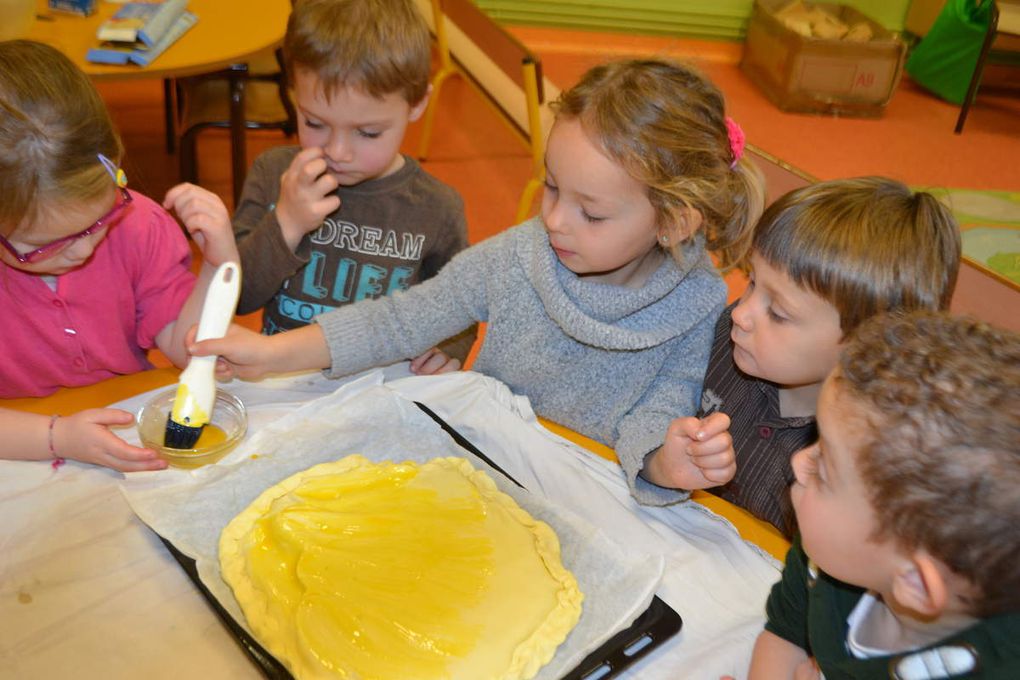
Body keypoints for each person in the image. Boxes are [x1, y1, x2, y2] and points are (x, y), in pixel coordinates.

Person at [190, 57, 767, 501]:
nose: (555, 220)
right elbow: (403, 318)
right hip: (484, 470)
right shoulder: (522, 254)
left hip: (591, 494)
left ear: (674, 222)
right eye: (552, 186)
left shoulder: (700, 299)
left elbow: (665, 402)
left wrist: (661, 462)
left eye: (590, 212)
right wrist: (271, 354)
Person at [641, 177, 962, 533]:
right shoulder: (725, 339)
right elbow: (648, 414)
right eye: (751, 282)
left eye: (777, 312)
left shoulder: (863, 453)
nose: (740, 314)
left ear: (865, 348)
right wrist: (659, 465)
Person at [0, 40, 239, 471]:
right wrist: (55, 437)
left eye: (102, 216)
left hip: (116, 433)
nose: (86, 247)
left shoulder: (138, 226)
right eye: (45, 245)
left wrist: (218, 266)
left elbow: (188, 354)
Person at [745, 311, 1020, 679]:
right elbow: (784, 632)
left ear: (916, 583)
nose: (797, 461)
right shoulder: (829, 555)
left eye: (825, 471)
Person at [231, 0, 473, 369]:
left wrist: (449, 349)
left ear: (417, 104)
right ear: (294, 91)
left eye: (368, 132)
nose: (338, 151)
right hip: (283, 381)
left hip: (381, 394)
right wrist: (286, 223)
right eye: (314, 123)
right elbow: (238, 298)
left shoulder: (437, 208)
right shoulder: (275, 174)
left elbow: (459, 306)